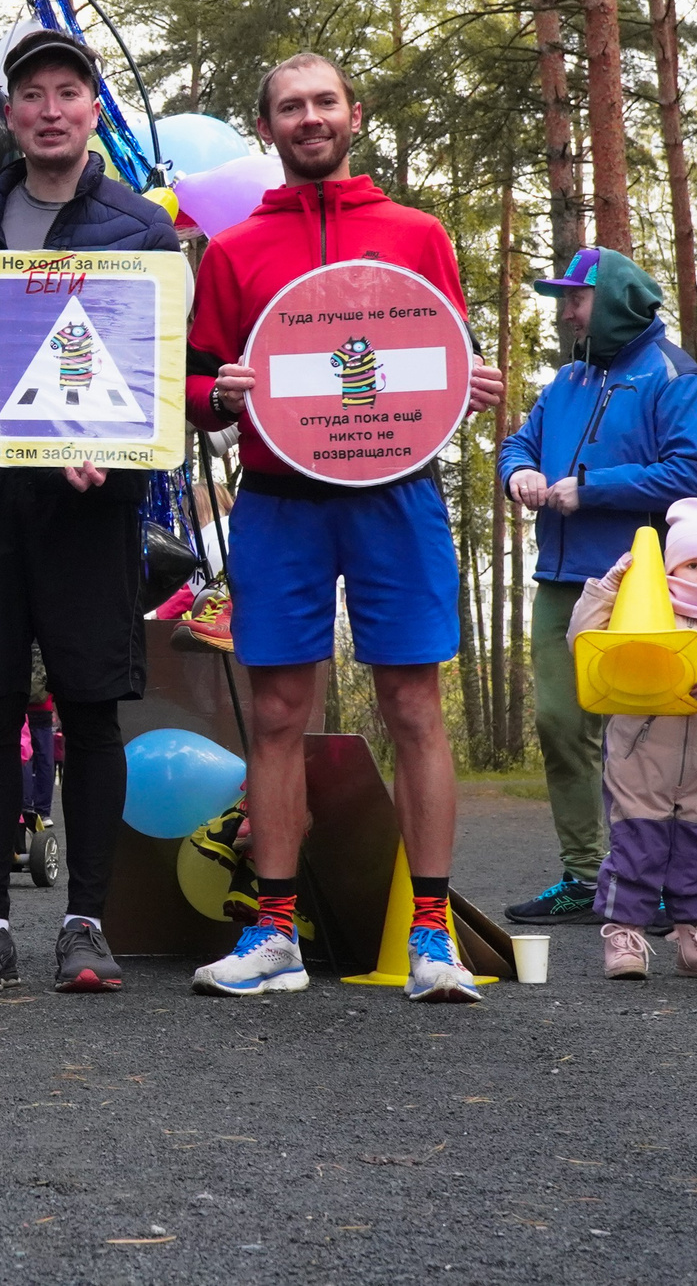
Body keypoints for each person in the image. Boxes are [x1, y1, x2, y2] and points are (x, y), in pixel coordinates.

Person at [183, 52, 509, 1003]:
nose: (310, 117)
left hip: (394, 497)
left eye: (324, 101)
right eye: (290, 106)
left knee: (415, 707)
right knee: (279, 714)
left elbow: (451, 358)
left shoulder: (416, 233)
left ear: (353, 114)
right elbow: (197, 385)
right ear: (269, 128)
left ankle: (434, 938)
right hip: (279, 502)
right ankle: (275, 932)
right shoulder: (236, 249)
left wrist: (478, 383)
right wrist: (218, 393)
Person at [0, 29, 178, 996]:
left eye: (70, 91)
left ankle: (86, 925)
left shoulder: (140, 228)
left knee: (92, 712)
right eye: (33, 94)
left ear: (95, 110)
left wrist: (122, 451)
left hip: (91, 506)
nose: (51, 108)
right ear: (7, 115)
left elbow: (155, 375)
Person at [497, 247, 697, 926]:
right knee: (559, 723)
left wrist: (592, 490)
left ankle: (649, 881)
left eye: (576, 297)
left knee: (642, 740)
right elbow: (520, 442)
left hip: (640, 586)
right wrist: (519, 474)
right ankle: (584, 874)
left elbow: (695, 471)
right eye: (562, 298)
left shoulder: (675, 375)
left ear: (618, 297)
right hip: (560, 581)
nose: (565, 310)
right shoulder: (566, 380)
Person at [571, 499, 697, 981]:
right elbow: (584, 640)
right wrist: (608, 589)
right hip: (640, 764)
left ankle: (696, 936)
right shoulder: (640, 611)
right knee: (635, 852)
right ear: (670, 566)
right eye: (692, 564)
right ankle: (624, 935)